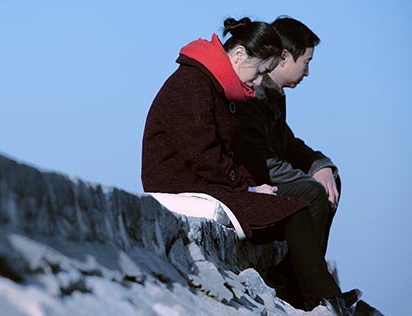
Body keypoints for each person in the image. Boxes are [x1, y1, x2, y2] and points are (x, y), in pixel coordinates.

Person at [141, 17, 351, 315]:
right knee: (298, 209)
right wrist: (247, 186)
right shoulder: (193, 84)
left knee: (295, 209)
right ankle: (323, 298)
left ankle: (316, 294)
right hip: (184, 184)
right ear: (239, 55)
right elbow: (204, 155)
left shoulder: (211, 83)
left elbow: (218, 154)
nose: (256, 82)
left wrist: (249, 184)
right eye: (258, 72)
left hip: (207, 181)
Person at [233, 16, 355, 309]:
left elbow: (288, 145)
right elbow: (263, 162)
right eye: (307, 61)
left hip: (268, 174)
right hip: (253, 182)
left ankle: (297, 277)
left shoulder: (273, 95)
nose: (308, 72)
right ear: (285, 57)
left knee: (328, 182)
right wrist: (310, 182)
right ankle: (307, 289)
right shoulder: (255, 95)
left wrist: (320, 166)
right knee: (312, 193)